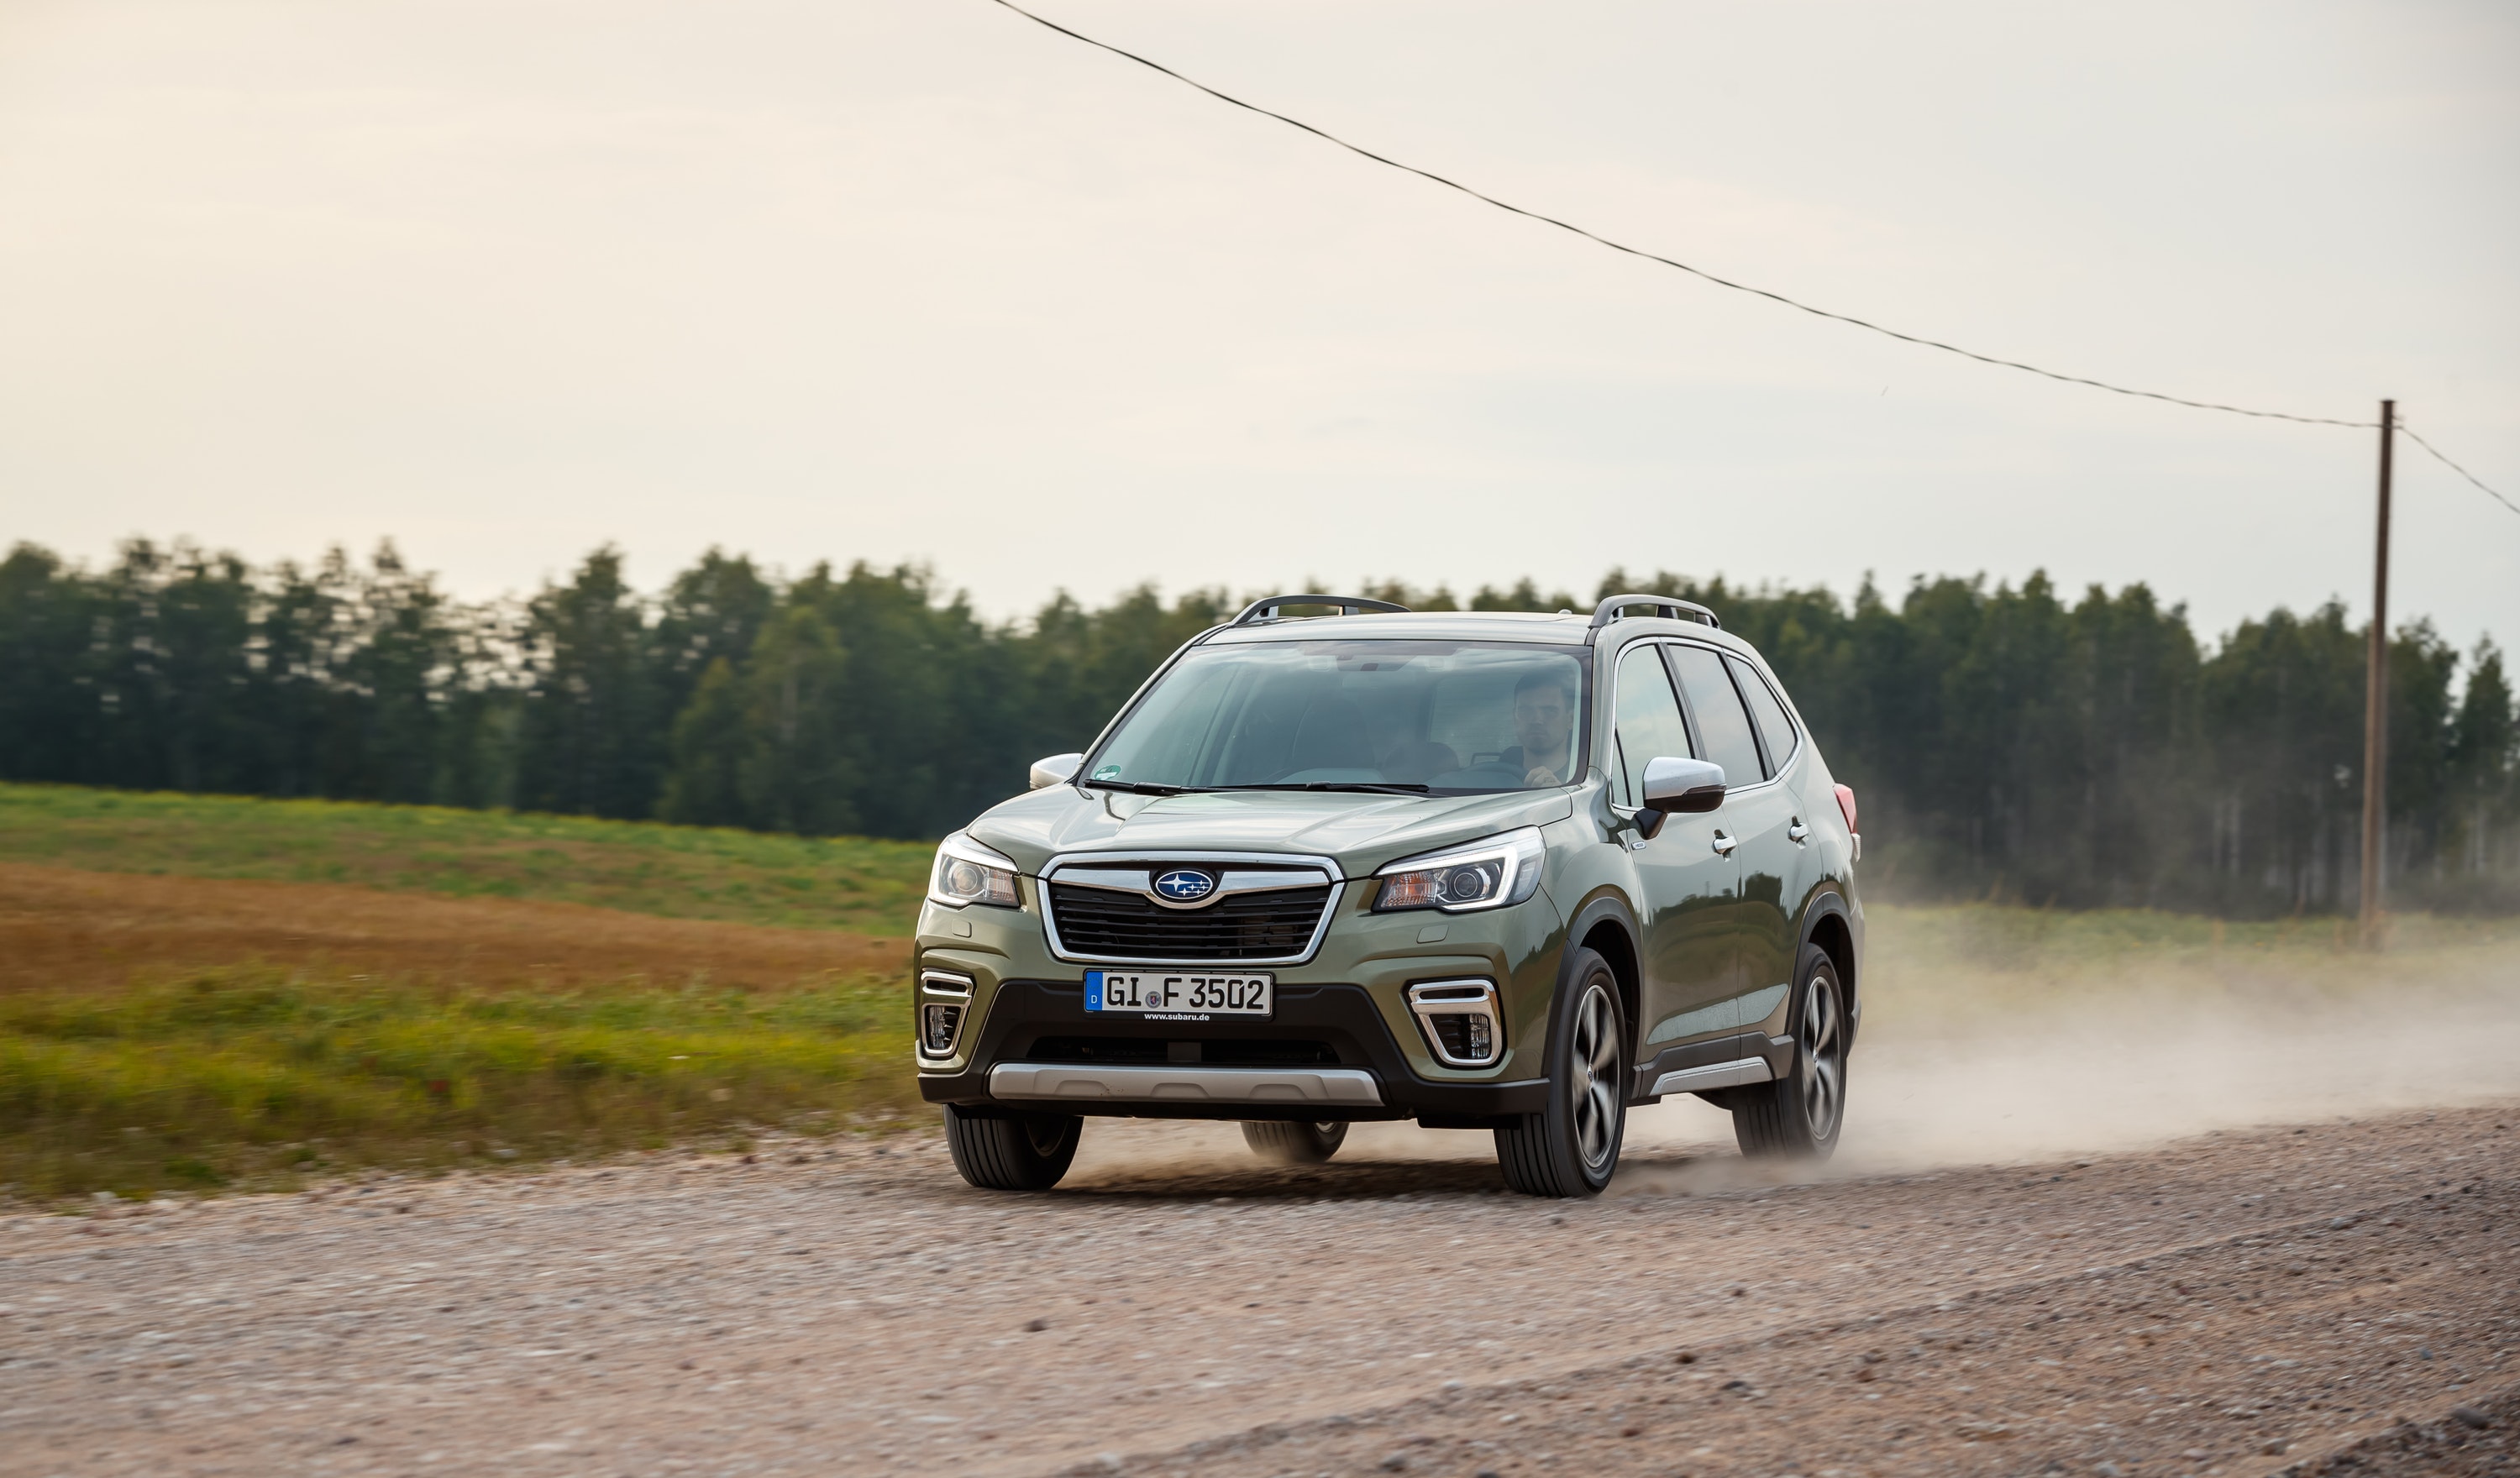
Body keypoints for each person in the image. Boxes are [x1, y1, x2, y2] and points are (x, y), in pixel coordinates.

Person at [1499, 668, 1577, 787]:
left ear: (1570, 719)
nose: (1536, 720)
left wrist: (1557, 794)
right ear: (1515, 718)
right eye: (1525, 711)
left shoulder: (1584, 782)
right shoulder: (1495, 776)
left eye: (1550, 711)